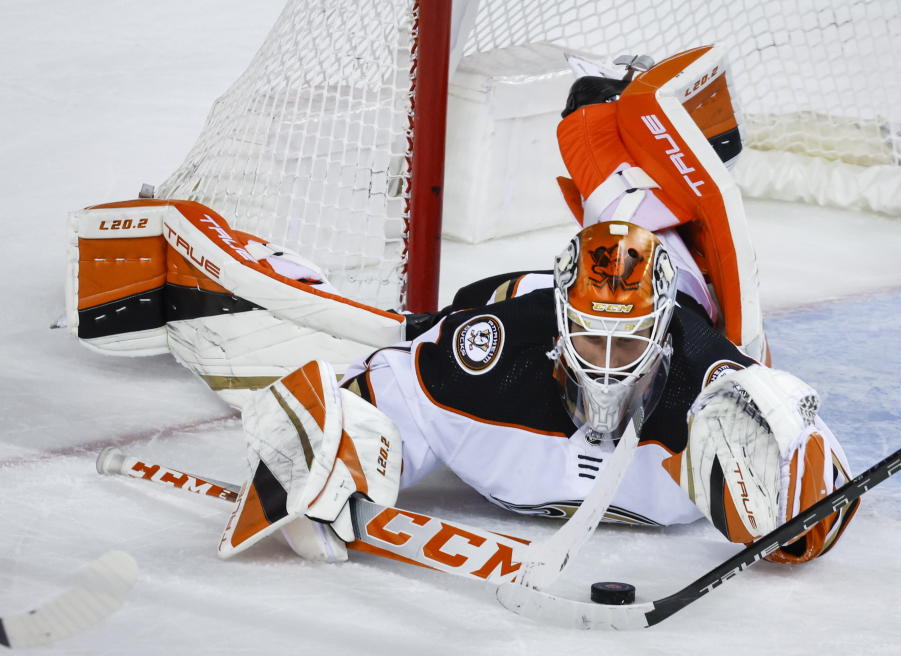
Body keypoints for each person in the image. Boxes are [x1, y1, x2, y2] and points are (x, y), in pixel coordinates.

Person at [68, 45, 859, 568]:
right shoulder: (488, 359)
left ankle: (607, 122)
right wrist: (339, 447)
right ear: (559, 325)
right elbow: (381, 389)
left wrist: (791, 485)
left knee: (617, 161)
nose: (607, 364)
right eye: (589, 338)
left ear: (660, 342)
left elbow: (818, 488)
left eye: (628, 345)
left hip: (676, 289)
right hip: (499, 309)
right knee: (335, 339)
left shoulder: (704, 377)